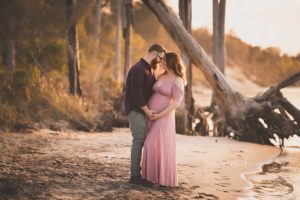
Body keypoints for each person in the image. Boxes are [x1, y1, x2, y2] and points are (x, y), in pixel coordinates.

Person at [124, 44, 167, 185]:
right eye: (160, 59)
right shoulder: (138, 69)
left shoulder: (149, 70)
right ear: (154, 55)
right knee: (139, 140)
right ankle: (135, 177)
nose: (161, 62)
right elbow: (136, 94)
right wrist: (147, 111)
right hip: (136, 110)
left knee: (144, 140)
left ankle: (144, 173)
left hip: (142, 111)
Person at [141, 52, 185, 187]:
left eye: (165, 60)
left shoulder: (178, 80)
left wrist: (160, 115)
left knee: (150, 143)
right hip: (152, 116)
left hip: (164, 117)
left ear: (171, 62)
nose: (162, 62)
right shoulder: (161, 75)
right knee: (156, 146)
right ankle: (151, 179)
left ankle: (160, 178)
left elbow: (176, 103)